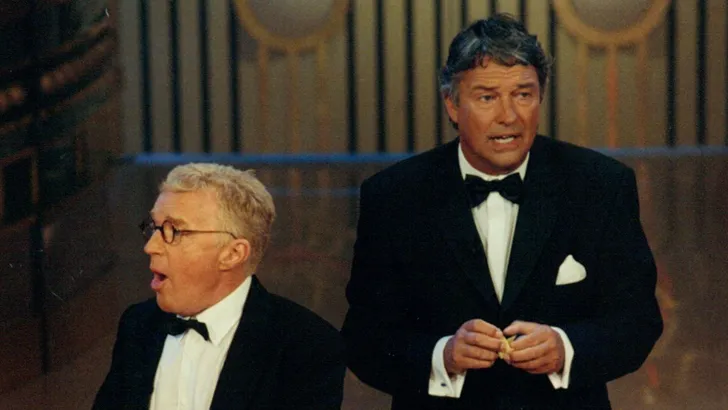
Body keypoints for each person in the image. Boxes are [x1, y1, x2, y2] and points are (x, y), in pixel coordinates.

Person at [342, 13, 662, 410]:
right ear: (452, 105)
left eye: (523, 95)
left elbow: (638, 322)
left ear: (540, 98)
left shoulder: (600, 186)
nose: (508, 116)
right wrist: (442, 356)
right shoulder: (393, 196)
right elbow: (364, 339)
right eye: (487, 97)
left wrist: (566, 348)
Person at [93, 163, 345, 410]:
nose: (150, 246)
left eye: (174, 231)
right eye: (153, 228)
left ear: (233, 254)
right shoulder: (137, 323)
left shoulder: (308, 345)